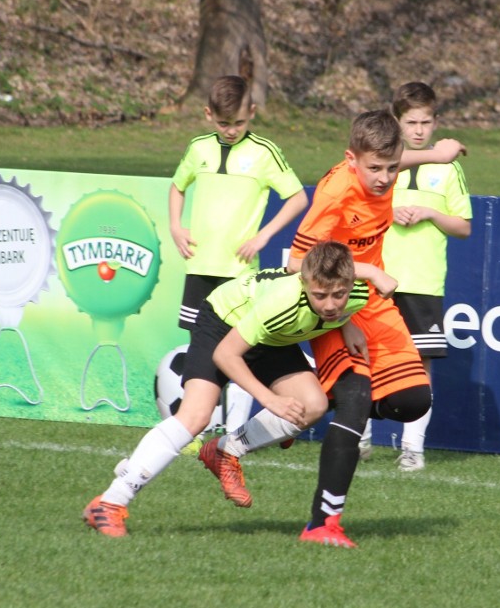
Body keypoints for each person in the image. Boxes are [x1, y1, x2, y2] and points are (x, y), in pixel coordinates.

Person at [202, 110, 439, 548]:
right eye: (375, 169)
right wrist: (364, 270)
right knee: (356, 398)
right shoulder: (335, 192)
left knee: (413, 400)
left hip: (371, 302)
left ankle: (276, 421)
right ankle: (321, 524)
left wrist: (436, 153)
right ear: (352, 160)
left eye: (393, 167)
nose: (385, 178)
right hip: (335, 302)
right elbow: (298, 264)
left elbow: (393, 159)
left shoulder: (382, 167)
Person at [82, 241, 372, 537]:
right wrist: (269, 399)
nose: (331, 305)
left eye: (339, 295)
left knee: (313, 405)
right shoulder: (282, 302)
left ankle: (225, 450)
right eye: (320, 295)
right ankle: (109, 503)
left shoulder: (358, 295)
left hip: (269, 338)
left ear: (351, 285)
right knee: (195, 417)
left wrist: (345, 323)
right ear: (303, 283)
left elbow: (340, 304)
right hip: (223, 323)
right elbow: (225, 354)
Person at [168, 74, 309, 432]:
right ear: (208, 115)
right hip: (201, 265)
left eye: (240, 122)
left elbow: (297, 198)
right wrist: (175, 225)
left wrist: (264, 236)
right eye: (224, 123)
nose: (231, 130)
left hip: (240, 271)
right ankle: (203, 425)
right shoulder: (199, 147)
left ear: (253, 112)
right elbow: (177, 186)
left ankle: (234, 430)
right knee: (200, 348)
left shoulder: (265, 152)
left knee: (240, 349)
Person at [358, 82, 472, 471]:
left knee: (419, 364)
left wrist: (430, 214)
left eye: (426, 122)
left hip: (423, 282)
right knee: (365, 355)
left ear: (436, 122)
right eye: (411, 122)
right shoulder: (382, 164)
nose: (419, 130)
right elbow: (359, 209)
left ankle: (412, 448)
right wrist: (389, 215)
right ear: (396, 122)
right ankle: (360, 435)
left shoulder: (448, 168)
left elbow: (463, 226)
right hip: (378, 275)